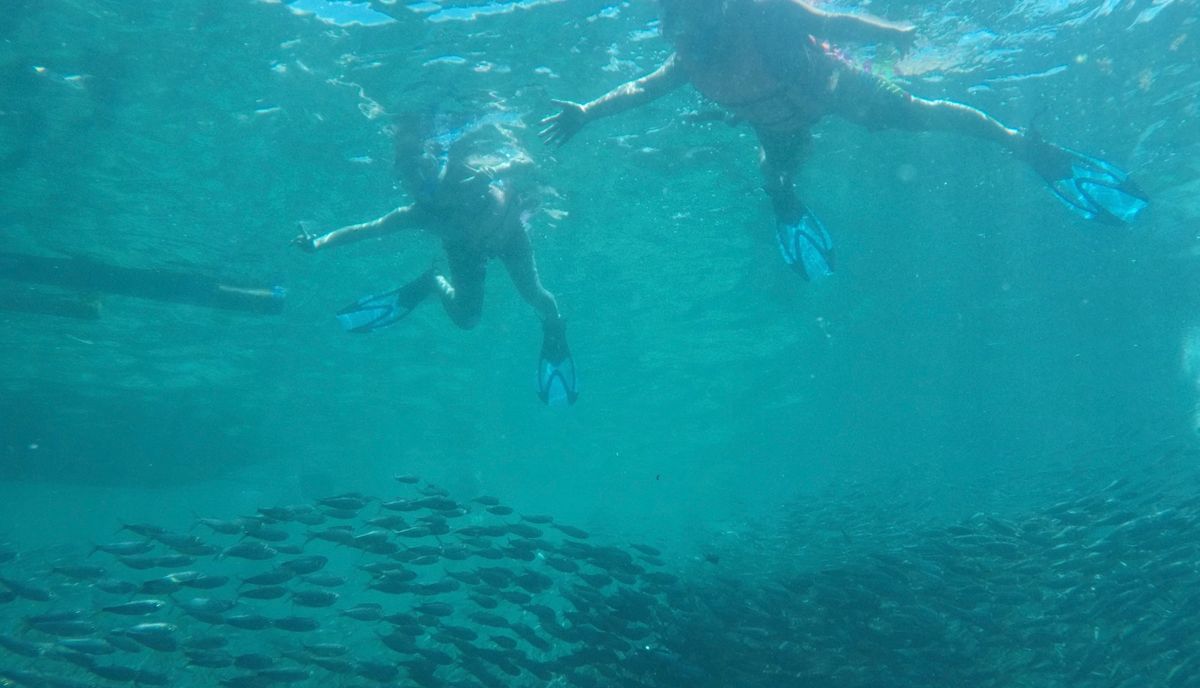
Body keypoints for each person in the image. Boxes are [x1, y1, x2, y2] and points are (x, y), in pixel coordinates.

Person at [540, 0, 1148, 281]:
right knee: (774, 177)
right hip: (777, 124)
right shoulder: (685, 59)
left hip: (837, 87)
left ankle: (1022, 144)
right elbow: (642, 89)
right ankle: (787, 205)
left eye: (694, 22)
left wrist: (891, 31)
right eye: (677, 29)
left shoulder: (761, 13)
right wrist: (587, 112)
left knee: (926, 114)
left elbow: (831, 21)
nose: (687, 36)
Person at [295, 118, 578, 406]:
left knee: (536, 296)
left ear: (433, 160)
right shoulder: (418, 214)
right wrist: (319, 243)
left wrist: (495, 171)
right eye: (407, 175)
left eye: (421, 166)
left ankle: (554, 331)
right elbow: (368, 229)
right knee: (467, 319)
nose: (418, 179)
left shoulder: (465, 171)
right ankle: (432, 282)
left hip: (510, 233)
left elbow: (527, 163)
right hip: (465, 251)